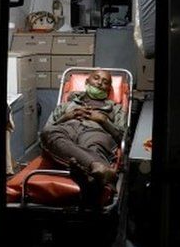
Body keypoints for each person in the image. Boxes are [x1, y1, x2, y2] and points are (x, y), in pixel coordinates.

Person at [39, 69, 126, 204]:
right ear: (87, 81)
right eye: (96, 78)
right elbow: (47, 130)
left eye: (105, 82)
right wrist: (66, 117)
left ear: (109, 88)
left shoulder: (116, 109)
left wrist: (103, 121)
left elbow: (123, 137)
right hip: (67, 129)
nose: (99, 83)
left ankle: (86, 174)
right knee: (49, 134)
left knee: (94, 146)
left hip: (95, 132)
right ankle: (96, 168)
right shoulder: (67, 105)